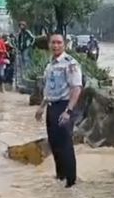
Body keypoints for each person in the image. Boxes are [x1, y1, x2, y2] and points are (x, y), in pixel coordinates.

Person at [35, 33, 83, 188]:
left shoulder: (70, 64)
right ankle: (60, 176)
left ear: (64, 44)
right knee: (54, 144)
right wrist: (41, 107)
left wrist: (68, 111)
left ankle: (71, 182)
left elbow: (76, 88)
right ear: (49, 45)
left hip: (64, 107)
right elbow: (49, 89)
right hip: (51, 107)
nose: (56, 45)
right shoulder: (50, 65)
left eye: (59, 43)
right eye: (53, 43)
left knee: (65, 145)